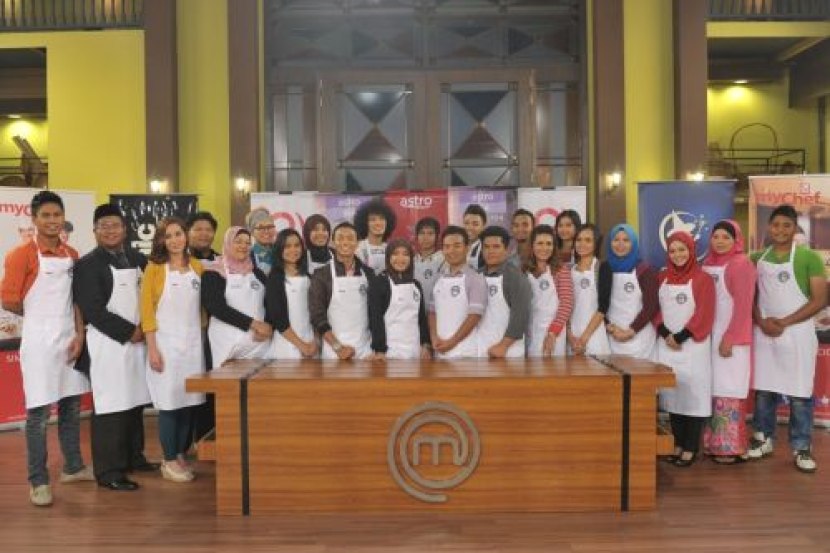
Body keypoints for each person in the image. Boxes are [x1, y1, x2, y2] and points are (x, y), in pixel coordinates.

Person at [1, 191, 93, 507]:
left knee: (71, 406)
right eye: (46, 216)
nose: (52, 221)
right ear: (35, 219)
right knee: (39, 413)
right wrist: (40, 319)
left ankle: (73, 466)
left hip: (69, 338)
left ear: (63, 218)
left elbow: (77, 301)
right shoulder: (21, 255)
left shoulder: (72, 254)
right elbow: (9, 300)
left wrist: (79, 334)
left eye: (57, 215)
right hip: (39, 341)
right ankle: (38, 481)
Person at [73, 204, 156, 492]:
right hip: (107, 344)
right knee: (111, 407)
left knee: (134, 403)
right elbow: (92, 309)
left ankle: (134, 457)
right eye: (103, 226)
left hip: (137, 343)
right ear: (94, 231)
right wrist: (129, 332)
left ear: (125, 229)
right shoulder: (86, 265)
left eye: (115, 225)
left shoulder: (138, 258)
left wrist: (145, 328)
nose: (110, 231)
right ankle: (109, 471)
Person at [748, 205, 827, 473]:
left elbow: (820, 299)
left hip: (797, 334)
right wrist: (762, 322)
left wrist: (784, 322)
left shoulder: (809, 258)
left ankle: (802, 447)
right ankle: (763, 438)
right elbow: (749, 297)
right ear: (768, 227)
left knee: (799, 393)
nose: (780, 230)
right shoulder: (756, 258)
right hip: (765, 332)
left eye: (786, 225)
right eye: (775, 225)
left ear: (795, 228)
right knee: (764, 390)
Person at [140, 217, 205, 483]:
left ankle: (180, 453)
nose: (175, 240)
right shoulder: (154, 269)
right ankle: (168, 460)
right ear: (161, 241)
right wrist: (152, 349)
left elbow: (203, 309)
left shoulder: (197, 266)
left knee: (189, 403)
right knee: (169, 404)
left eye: (178, 234)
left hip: (192, 346)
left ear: (186, 236)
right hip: (165, 345)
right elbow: (146, 311)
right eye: (168, 236)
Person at [654, 231, 716, 467]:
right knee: (673, 398)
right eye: (672, 250)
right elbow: (655, 309)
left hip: (692, 347)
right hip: (667, 346)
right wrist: (665, 333)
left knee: (692, 398)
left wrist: (681, 336)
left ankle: (690, 447)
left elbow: (705, 313)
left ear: (691, 251)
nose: (677, 254)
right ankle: (677, 444)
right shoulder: (662, 277)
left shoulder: (703, 279)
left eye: (682, 249)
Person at [701, 220, 756, 465]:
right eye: (716, 236)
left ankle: (730, 447)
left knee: (729, 390)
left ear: (737, 240)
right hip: (709, 339)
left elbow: (743, 307)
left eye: (726, 237)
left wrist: (729, 338)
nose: (720, 241)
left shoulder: (741, 264)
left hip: (731, 341)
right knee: (713, 389)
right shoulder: (707, 263)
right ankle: (712, 443)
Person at [202, 227, 272, 369]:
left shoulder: (258, 274)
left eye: (247, 243)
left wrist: (269, 325)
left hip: (258, 347)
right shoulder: (214, 272)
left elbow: (270, 303)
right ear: (228, 243)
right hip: (227, 347)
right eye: (238, 241)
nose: (243, 246)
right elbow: (216, 307)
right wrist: (254, 324)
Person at [309, 222, 374, 360]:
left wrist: (376, 347)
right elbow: (317, 317)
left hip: (365, 351)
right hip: (334, 353)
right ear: (333, 242)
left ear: (357, 243)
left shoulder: (369, 274)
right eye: (340, 238)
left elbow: (375, 313)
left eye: (350, 238)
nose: (345, 242)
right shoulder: (321, 274)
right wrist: (338, 348)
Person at [186, 210, 219, 444]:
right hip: (184, 331)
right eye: (198, 229)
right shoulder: (178, 260)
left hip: (213, 331)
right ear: (188, 232)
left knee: (210, 382)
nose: (203, 234)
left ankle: (207, 439)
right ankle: (186, 442)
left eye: (208, 229)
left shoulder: (221, 261)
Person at [429, 226, 487, 359]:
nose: (451, 251)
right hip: (440, 352)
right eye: (447, 246)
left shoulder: (475, 279)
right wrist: (434, 338)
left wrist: (452, 342)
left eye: (457, 246)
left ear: (467, 248)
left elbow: (474, 317)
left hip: (465, 353)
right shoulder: (438, 279)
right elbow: (432, 312)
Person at [368, 239, 431, 360]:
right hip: (389, 353)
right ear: (388, 257)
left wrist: (425, 344)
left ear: (411, 258)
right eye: (395, 254)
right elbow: (375, 319)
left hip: (415, 351)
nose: (400, 259)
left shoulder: (416, 285)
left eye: (405, 254)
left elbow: (421, 318)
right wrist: (380, 349)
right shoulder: (379, 282)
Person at [605, 224, 659, 360]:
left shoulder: (645, 270)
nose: (620, 244)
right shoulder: (604, 269)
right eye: (616, 240)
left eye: (626, 240)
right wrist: (610, 328)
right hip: (612, 337)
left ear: (634, 243)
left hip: (639, 338)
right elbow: (598, 303)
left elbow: (651, 306)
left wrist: (630, 331)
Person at [477, 226, 531, 359]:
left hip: (507, 352)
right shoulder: (476, 275)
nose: (490, 251)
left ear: (506, 250)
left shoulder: (515, 277)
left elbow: (521, 316)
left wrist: (503, 346)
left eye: (496, 247)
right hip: (479, 349)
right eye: (486, 247)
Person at [266, 228, 318, 359]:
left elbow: (317, 311)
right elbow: (278, 317)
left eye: (297, 245)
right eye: (287, 246)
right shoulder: (275, 278)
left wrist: (315, 341)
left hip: (311, 342)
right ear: (279, 249)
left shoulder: (309, 277)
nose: (293, 250)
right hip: (286, 345)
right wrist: (302, 346)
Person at [524, 225, 572, 358]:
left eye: (549, 244)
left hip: (553, 333)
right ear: (532, 246)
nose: (544, 248)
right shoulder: (524, 270)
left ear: (554, 247)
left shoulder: (561, 270)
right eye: (540, 243)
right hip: (530, 331)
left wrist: (552, 333)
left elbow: (567, 303)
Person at [568, 224, 612, 356]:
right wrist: (570, 336)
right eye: (579, 240)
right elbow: (564, 305)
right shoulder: (569, 270)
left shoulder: (602, 267)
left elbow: (603, 307)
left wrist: (584, 339)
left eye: (588, 240)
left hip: (594, 335)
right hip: (572, 337)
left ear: (595, 243)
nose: (582, 244)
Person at [355, 198, 397, 273]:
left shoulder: (390, 248)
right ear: (365, 223)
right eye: (373, 219)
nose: (378, 223)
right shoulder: (358, 248)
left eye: (382, 219)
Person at [413, 216, 445, 308]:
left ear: (437, 236)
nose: (425, 237)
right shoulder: (412, 261)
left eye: (430, 233)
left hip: (438, 311)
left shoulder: (444, 258)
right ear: (416, 236)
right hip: (416, 312)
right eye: (422, 233)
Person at [247, 207, 277, 275]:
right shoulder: (248, 256)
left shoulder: (282, 252)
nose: (266, 231)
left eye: (269, 226)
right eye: (261, 228)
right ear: (252, 232)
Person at [463, 204, 487, 270]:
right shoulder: (459, 246)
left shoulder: (485, 248)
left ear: (483, 226)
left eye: (475, 224)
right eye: (466, 223)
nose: (469, 228)